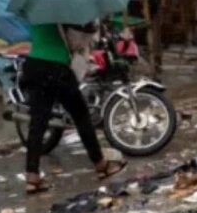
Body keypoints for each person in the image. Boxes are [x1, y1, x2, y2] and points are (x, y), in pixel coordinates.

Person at [22, 22, 126, 194]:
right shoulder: (62, 11)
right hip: (56, 67)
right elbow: (83, 31)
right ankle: (101, 165)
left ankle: (32, 177)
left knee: (37, 123)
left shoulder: (36, 9)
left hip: (33, 64)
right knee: (81, 117)